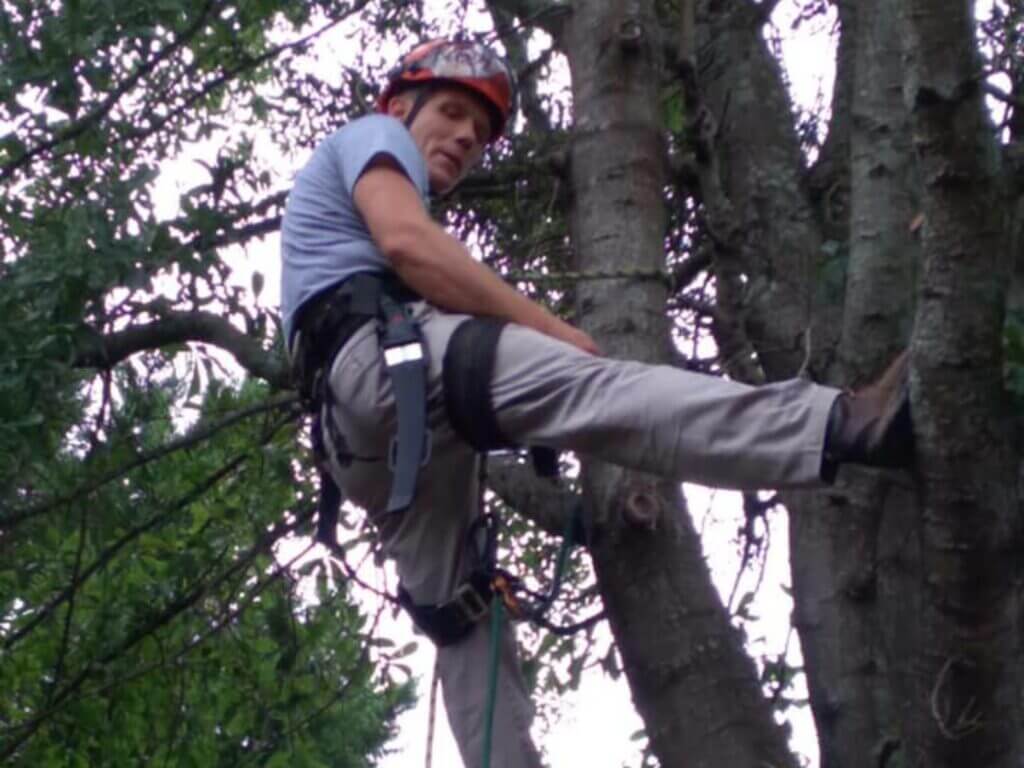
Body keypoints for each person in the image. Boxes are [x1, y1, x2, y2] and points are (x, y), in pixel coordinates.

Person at [279, 38, 912, 768]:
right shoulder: (373, 135)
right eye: (452, 113)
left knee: (459, 613)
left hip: (360, 438)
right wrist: (550, 331)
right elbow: (407, 244)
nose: (464, 138)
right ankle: (842, 424)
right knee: (600, 389)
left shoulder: (343, 222)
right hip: (385, 368)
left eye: (479, 135)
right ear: (398, 106)